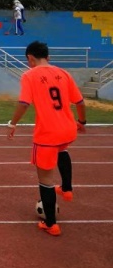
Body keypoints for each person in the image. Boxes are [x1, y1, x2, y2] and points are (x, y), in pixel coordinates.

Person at [6, 41, 86, 237]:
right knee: (62, 149)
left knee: (45, 180)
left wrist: (12, 123)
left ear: (30, 58)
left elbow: (24, 103)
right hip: (68, 128)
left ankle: (51, 224)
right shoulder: (64, 73)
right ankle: (66, 188)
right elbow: (80, 101)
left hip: (47, 133)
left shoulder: (30, 75)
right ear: (48, 57)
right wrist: (82, 121)